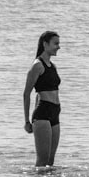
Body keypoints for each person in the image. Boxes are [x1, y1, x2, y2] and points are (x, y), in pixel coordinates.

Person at [22, 31, 62, 167]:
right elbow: (26, 94)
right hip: (43, 114)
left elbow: (39, 94)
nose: (58, 47)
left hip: (55, 113)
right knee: (42, 161)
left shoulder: (53, 66)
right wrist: (27, 121)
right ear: (45, 44)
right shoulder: (37, 65)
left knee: (50, 162)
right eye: (55, 43)